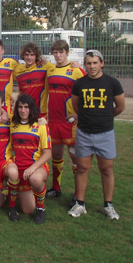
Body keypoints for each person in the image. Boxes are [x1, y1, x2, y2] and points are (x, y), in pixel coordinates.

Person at [68, 50, 125, 219]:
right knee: (82, 168)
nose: (92, 66)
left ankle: (108, 204)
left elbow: (120, 106)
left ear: (102, 63)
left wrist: (105, 118)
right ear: (85, 65)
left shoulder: (112, 83)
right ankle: (80, 203)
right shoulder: (79, 84)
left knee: (106, 169)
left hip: (105, 133)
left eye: (95, 62)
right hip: (84, 132)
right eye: (88, 63)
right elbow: (77, 106)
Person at [46, 40, 86, 202]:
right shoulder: (50, 69)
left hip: (70, 122)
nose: (58, 55)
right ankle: (56, 187)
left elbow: (87, 92)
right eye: (55, 52)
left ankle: (77, 194)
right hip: (53, 121)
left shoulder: (76, 71)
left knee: (75, 157)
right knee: (56, 155)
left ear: (67, 53)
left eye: (61, 52)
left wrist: (79, 114)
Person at [8, 94, 52, 224]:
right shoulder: (12, 123)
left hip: (36, 167)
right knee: (27, 210)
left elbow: (48, 153)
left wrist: (33, 168)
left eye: (26, 107)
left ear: (31, 108)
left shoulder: (41, 126)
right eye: (20, 107)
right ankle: (12, 196)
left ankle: (40, 209)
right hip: (19, 169)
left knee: (36, 179)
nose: (23, 110)